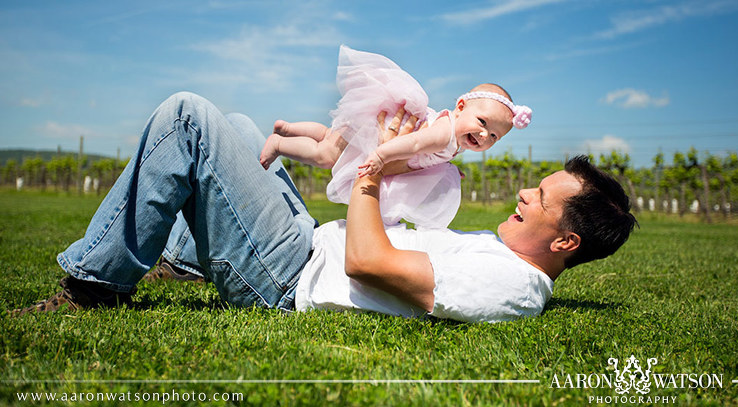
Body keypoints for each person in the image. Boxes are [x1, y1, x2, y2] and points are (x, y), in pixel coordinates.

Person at [12, 92, 636, 323]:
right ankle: (182, 260)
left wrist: (378, 165)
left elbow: (367, 263)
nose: (525, 193)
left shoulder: (510, 284)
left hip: (288, 278)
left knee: (189, 118)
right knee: (239, 124)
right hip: (306, 244)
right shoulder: (499, 251)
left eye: (542, 199)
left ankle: (94, 285)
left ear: (566, 242)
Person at [259, 45, 533, 228]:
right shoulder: (445, 132)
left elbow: (428, 151)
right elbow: (413, 143)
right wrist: (380, 155)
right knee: (326, 155)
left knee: (329, 136)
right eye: (482, 122)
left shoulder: (454, 136)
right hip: (377, 135)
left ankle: (287, 128)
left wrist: (446, 164)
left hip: (369, 125)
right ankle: (280, 143)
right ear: (460, 107)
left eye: (494, 136)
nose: (484, 134)